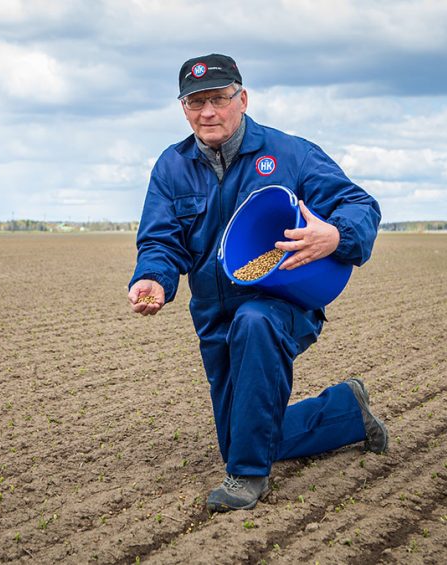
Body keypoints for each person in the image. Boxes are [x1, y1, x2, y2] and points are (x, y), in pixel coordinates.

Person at [127, 53, 387, 513]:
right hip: (213, 315)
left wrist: (336, 235)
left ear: (242, 99)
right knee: (241, 434)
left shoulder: (289, 153)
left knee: (255, 321)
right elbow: (160, 239)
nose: (208, 112)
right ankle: (348, 411)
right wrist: (154, 277)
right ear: (183, 108)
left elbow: (359, 205)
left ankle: (248, 478)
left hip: (282, 300)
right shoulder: (171, 167)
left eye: (219, 99)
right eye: (195, 102)